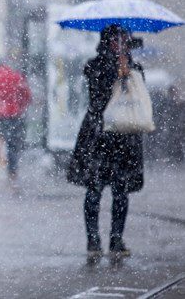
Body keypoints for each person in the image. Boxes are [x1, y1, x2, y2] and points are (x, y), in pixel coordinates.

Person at [67, 25, 145, 264]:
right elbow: (98, 97)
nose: (120, 44)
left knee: (121, 191)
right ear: (107, 41)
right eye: (116, 40)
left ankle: (116, 240)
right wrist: (115, 71)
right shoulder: (95, 65)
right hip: (99, 135)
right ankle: (93, 240)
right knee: (95, 188)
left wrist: (127, 71)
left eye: (124, 39)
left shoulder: (134, 68)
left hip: (124, 135)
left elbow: (139, 97)